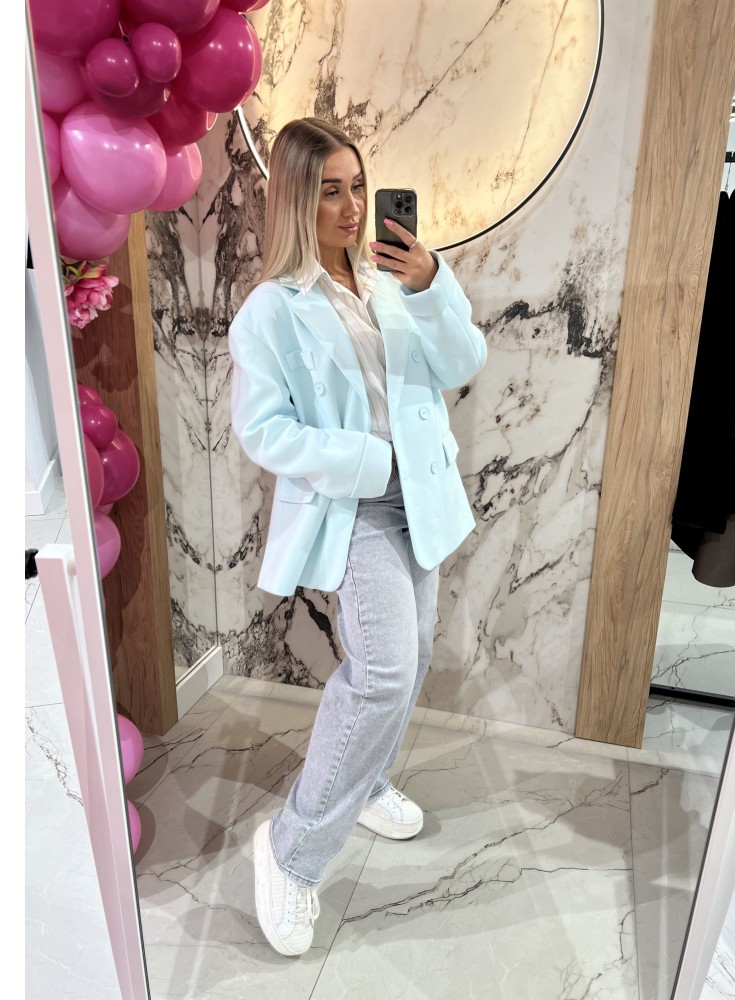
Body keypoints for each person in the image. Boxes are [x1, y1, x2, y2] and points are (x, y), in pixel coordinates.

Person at [228, 117, 487, 957]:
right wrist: (367, 460)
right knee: (384, 675)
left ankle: (366, 781)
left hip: (424, 498)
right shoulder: (272, 310)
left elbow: (462, 362)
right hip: (361, 504)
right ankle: (290, 853)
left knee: (412, 652)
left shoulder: (391, 280)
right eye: (330, 191)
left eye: (358, 187)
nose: (351, 207)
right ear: (297, 201)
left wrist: (432, 282)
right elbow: (264, 431)